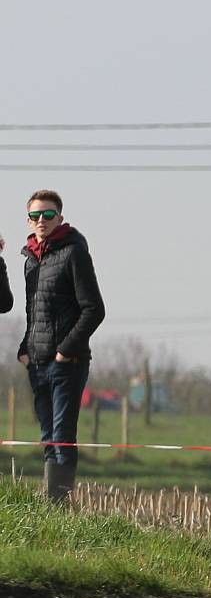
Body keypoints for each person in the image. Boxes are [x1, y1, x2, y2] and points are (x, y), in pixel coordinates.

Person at [16, 190, 105, 503]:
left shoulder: (74, 252)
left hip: (67, 362)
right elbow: (33, 311)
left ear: (60, 218)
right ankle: (50, 505)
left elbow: (94, 309)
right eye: (36, 215)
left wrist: (65, 350)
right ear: (28, 220)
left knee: (62, 435)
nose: (42, 220)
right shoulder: (30, 259)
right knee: (47, 437)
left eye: (49, 214)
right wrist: (24, 349)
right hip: (36, 361)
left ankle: (59, 504)